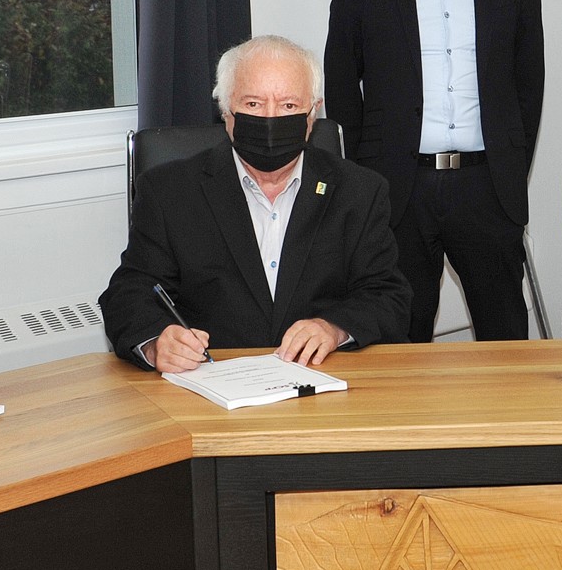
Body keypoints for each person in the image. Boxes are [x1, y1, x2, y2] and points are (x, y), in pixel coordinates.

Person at [325, 0, 543, 342]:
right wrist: (365, 177)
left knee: (506, 339)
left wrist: (510, 163)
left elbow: (528, 80)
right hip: (397, 190)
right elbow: (342, 83)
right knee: (398, 339)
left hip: (488, 187)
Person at [100, 35, 411, 372]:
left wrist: (334, 329)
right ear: (226, 111)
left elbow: (387, 296)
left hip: (322, 377)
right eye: (253, 104)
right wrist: (155, 343)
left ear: (312, 114)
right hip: (210, 381)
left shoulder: (359, 190)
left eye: (288, 106)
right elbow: (129, 294)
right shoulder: (169, 191)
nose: (270, 118)